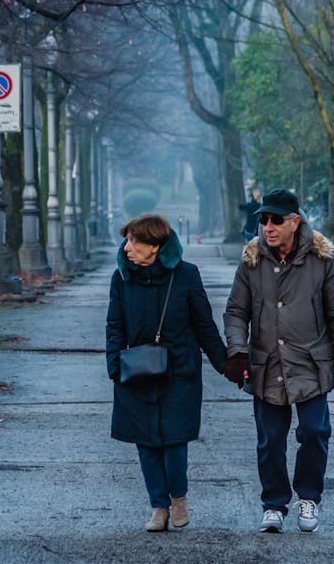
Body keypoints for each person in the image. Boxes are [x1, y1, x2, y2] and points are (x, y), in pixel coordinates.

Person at [222, 189, 334, 534]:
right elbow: (236, 311)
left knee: (314, 432)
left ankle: (308, 496)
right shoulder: (251, 261)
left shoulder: (322, 260)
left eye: (276, 220)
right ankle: (273, 504)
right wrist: (237, 351)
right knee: (269, 439)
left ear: (294, 222)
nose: (268, 227)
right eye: (263, 220)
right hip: (266, 364)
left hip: (311, 363)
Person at [106, 214, 228, 532]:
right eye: (127, 240)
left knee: (174, 441)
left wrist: (227, 364)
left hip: (180, 372)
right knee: (145, 443)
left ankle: (179, 500)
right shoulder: (122, 279)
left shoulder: (187, 275)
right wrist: (113, 366)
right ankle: (158, 507)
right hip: (135, 371)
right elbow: (114, 325)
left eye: (134, 241)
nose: (127, 247)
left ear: (155, 246)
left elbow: (204, 325)